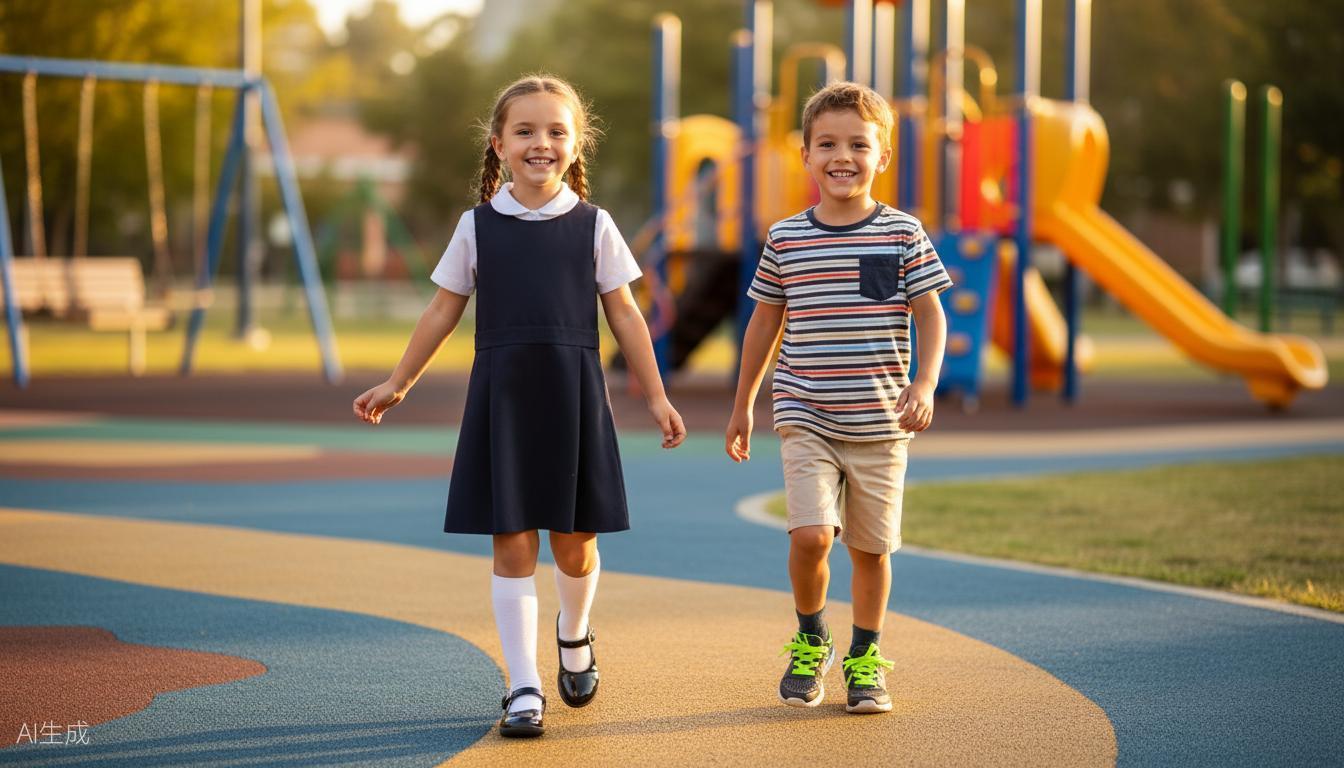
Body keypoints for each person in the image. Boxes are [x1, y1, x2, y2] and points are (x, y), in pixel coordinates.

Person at [354, 74, 686, 738]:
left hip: (573, 394)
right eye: (526, 131)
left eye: (556, 131)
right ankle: (524, 686)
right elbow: (442, 308)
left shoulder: (595, 225)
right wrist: (400, 380)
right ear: (499, 144)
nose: (542, 143)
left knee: (573, 545)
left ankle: (574, 630)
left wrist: (656, 394)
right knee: (511, 543)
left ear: (577, 144)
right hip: (503, 397)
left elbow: (624, 314)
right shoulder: (476, 226)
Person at [725, 81, 950, 714]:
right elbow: (764, 323)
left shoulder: (903, 234)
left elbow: (931, 317)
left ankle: (866, 656)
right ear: (805, 155)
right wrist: (744, 401)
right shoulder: (786, 238)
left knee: (870, 549)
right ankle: (810, 635)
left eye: (858, 143)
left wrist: (925, 383)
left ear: (883, 157)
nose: (841, 155)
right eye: (826, 143)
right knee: (812, 537)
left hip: (881, 420)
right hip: (805, 413)